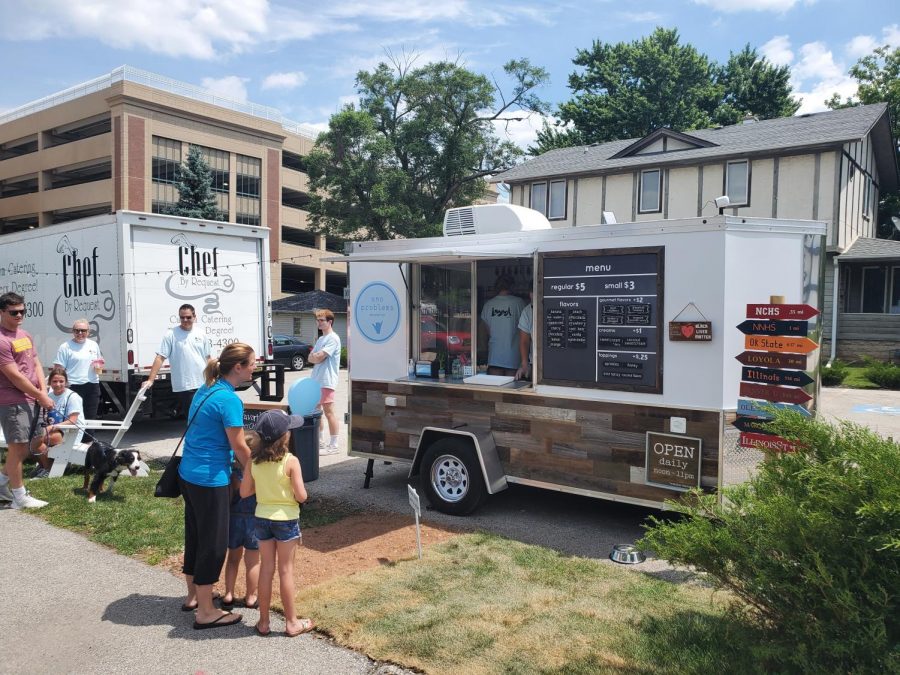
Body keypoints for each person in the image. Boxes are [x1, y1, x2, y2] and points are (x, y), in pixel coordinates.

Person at [178, 342, 254, 630]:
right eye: (251, 363)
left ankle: (193, 597)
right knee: (213, 544)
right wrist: (256, 474)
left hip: (189, 474)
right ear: (239, 367)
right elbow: (239, 445)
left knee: (195, 537)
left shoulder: (206, 388)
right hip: (210, 479)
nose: (254, 367)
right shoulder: (229, 400)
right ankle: (207, 611)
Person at [241, 409, 313, 638]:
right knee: (286, 571)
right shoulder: (291, 461)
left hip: (262, 518)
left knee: (266, 569)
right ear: (285, 436)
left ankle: (263, 622)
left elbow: (244, 492)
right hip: (286, 520)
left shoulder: (254, 461)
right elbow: (302, 496)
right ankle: (291, 623)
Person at [0, 292, 53, 509]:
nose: (19, 315)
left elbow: (36, 363)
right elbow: (14, 375)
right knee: (18, 448)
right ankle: (19, 497)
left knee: (28, 446)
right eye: (14, 312)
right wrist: (39, 394)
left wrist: (42, 390)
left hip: (32, 396)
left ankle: (2, 482)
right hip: (13, 400)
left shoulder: (25, 335)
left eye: (23, 311)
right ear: (2, 312)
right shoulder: (2, 341)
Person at [142, 304, 212, 418]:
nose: (185, 320)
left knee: (207, 416)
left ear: (194, 317)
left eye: (188, 317)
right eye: (182, 317)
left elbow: (208, 358)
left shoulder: (201, 334)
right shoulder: (171, 334)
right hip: (186, 385)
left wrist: (213, 377)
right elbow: (160, 357)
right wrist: (150, 380)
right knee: (193, 418)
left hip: (203, 383)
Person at [30, 366, 84, 479]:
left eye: (61, 381)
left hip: (70, 433)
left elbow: (72, 421)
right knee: (29, 439)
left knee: (38, 440)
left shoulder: (72, 397)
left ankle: (48, 469)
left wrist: (51, 428)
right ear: (49, 382)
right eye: (54, 381)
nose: (58, 384)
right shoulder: (49, 397)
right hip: (54, 430)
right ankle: (42, 466)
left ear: (66, 382)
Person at [220, 461, 260, 612]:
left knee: (232, 560)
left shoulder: (231, 471)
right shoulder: (257, 471)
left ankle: (228, 595)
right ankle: (250, 597)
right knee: (253, 562)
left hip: (234, 519)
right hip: (254, 519)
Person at [54, 319, 103, 419]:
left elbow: (98, 366)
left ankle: (89, 435)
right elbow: (58, 370)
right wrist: (60, 386)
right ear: (73, 331)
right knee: (74, 420)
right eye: (77, 330)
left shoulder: (93, 345)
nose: (80, 333)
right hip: (73, 386)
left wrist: (99, 366)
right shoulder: (65, 347)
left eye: (83, 330)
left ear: (88, 332)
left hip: (92, 386)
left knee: (90, 419)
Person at [308, 309, 341, 454]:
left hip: (327, 380)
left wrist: (316, 356)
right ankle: (319, 442)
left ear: (330, 322)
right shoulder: (321, 339)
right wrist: (315, 356)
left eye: (322, 320)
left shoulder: (333, 338)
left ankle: (334, 445)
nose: (319, 323)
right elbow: (310, 358)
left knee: (329, 412)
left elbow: (319, 357)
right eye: (318, 320)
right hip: (316, 380)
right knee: (316, 412)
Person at [480, 275, 526, 376]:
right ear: (512, 286)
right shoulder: (519, 303)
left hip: (494, 357)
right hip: (513, 357)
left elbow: (486, 331)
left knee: (496, 390)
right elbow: (525, 330)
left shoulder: (488, 305)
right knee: (511, 390)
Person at [515, 292, 533, 381]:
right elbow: (524, 341)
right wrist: (525, 364)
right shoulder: (528, 311)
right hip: (536, 364)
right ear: (531, 294)